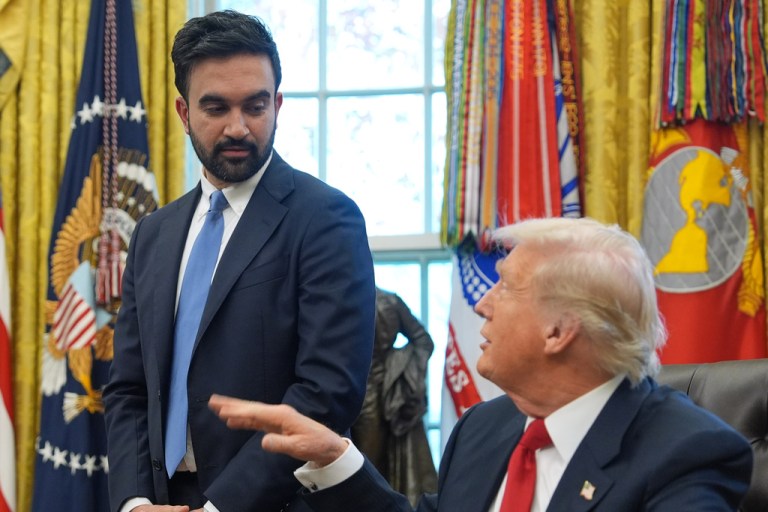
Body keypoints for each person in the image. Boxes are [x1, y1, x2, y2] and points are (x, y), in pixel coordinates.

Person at [209, 217, 754, 511]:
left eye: (506, 287)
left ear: (559, 331)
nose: (482, 303)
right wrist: (335, 457)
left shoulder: (688, 454)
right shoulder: (485, 429)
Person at [103, 10, 375, 512]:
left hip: (272, 502)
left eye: (255, 106)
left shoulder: (326, 219)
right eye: (216, 108)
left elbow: (326, 393)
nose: (238, 127)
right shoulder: (153, 235)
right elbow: (128, 388)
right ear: (184, 114)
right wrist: (135, 501)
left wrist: (220, 507)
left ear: (277, 104)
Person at [351, 288, 437, 505]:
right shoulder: (340, 299)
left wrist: (400, 372)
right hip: (343, 392)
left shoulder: (388, 301)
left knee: (367, 467)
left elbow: (423, 341)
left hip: (379, 394)